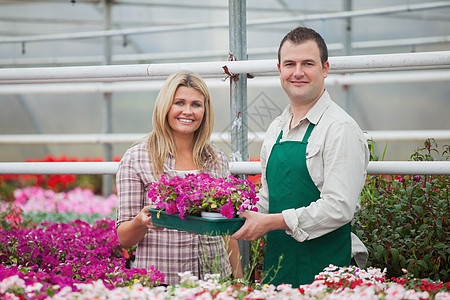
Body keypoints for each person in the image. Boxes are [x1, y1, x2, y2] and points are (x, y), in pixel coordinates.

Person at [232, 26, 369, 286]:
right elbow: (268, 197)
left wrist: (270, 222)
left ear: (325, 68)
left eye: (308, 63)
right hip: (279, 266)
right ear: (279, 70)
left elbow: (339, 207)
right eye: (290, 64)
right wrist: (227, 216)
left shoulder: (339, 128)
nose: (297, 72)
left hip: (325, 270)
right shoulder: (276, 128)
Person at [116, 70, 243, 285]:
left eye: (196, 104)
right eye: (179, 103)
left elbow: (227, 232)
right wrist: (141, 221)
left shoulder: (216, 159)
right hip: (160, 283)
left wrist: (240, 282)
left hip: (214, 281)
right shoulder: (137, 158)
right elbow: (125, 238)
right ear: (165, 107)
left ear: (205, 111)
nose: (188, 111)